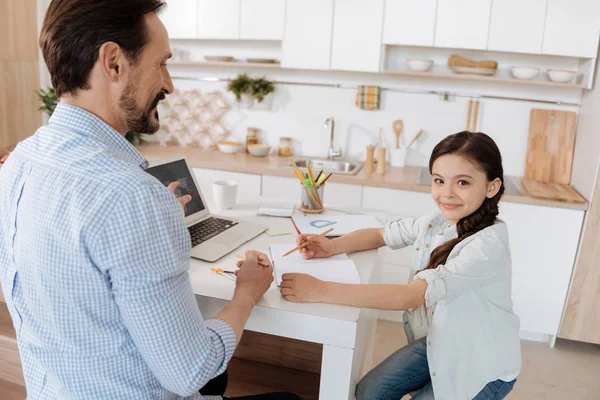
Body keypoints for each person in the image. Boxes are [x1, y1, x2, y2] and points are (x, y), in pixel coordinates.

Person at [0, 1, 298, 399]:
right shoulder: (132, 198)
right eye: (162, 63)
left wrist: (153, 226)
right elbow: (191, 371)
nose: (170, 84)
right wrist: (246, 293)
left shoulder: (18, 162)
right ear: (113, 62)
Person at [277, 131, 522, 399]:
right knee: (368, 394)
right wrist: (331, 245)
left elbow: (408, 297)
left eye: (462, 182)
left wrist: (320, 290)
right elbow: (381, 234)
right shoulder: (437, 221)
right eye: (439, 181)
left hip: (481, 363)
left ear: (491, 187)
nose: (446, 193)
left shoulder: (487, 247)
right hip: (440, 342)